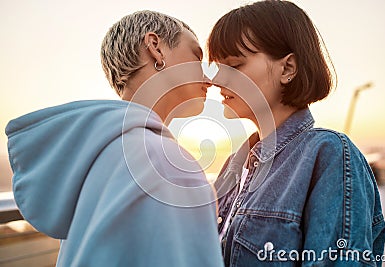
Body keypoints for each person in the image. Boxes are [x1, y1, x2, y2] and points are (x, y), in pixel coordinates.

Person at [6, 11, 224, 267]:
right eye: (196, 56)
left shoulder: (92, 157)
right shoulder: (165, 163)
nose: (208, 79)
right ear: (156, 47)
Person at [207, 1, 385, 266]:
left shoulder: (329, 154)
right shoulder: (233, 166)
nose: (217, 81)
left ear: (288, 68)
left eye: (234, 66)